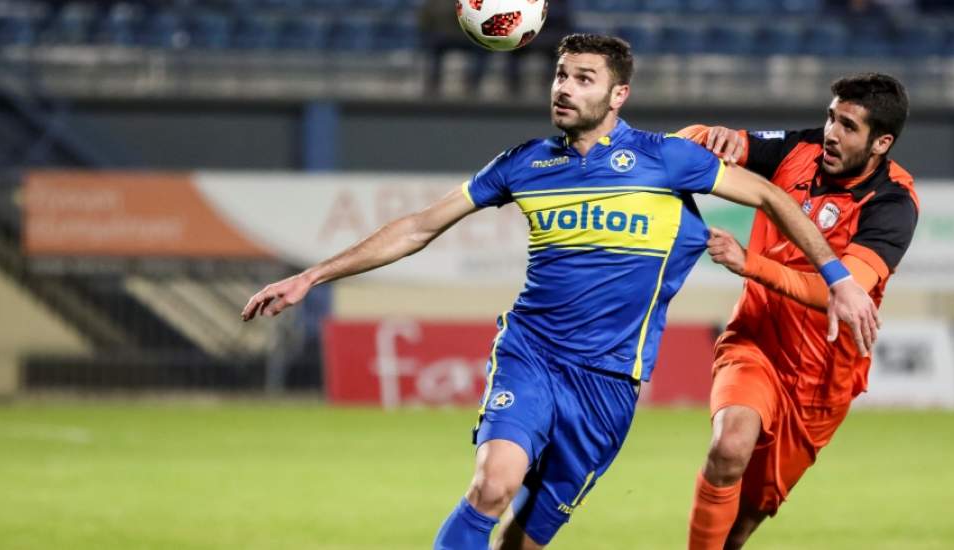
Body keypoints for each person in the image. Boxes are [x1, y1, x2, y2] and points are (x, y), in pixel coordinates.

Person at [242, 35, 879, 550]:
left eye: (583, 78)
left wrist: (838, 279)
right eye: (560, 75)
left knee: (523, 539)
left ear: (618, 94)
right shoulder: (524, 163)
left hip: (609, 383)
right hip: (532, 355)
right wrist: (311, 276)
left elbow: (769, 195)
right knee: (492, 486)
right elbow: (418, 227)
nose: (564, 89)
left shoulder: (667, 160)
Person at [678, 73, 919, 550]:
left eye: (848, 126)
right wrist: (709, 134)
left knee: (741, 525)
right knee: (729, 446)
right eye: (831, 118)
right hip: (756, 341)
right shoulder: (798, 150)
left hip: (820, 383)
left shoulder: (893, 201)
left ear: (881, 143)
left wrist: (750, 263)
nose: (831, 133)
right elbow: (686, 144)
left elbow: (840, 294)